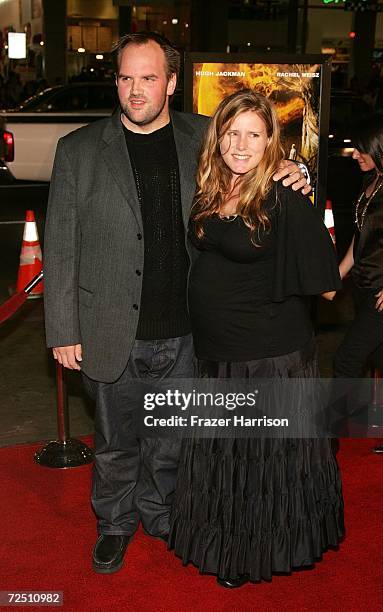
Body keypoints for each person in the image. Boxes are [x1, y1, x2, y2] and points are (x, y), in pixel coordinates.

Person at [43, 32, 311, 575]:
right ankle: (115, 523)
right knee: (117, 442)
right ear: (115, 82)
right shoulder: (78, 149)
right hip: (109, 325)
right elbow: (62, 242)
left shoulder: (203, 138)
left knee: (172, 436)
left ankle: (160, 511)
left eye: (148, 77)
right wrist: (62, 328)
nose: (135, 89)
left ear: (170, 82)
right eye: (125, 77)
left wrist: (294, 173)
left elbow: (254, 169)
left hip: (190, 328)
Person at [168, 89, 344, 588]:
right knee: (227, 459)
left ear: (271, 143)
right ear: (217, 137)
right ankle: (228, 544)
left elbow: (327, 287)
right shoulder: (212, 187)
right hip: (217, 351)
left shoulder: (284, 197)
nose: (240, 145)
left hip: (267, 355)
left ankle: (251, 557)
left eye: (254, 135)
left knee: (258, 466)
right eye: (232, 133)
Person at [334, 113, 383, 379]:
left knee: (346, 360)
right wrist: (337, 274)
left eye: (361, 149)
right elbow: (361, 237)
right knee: (375, 357)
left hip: (380, 295)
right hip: (363, 288)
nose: (354, 155)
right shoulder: (371, 181)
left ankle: (340, 420)